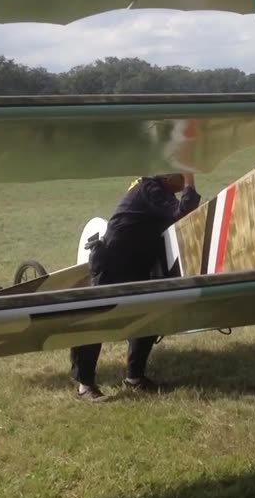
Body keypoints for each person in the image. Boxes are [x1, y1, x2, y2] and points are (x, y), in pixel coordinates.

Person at [70, 172, 200, 401]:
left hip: (135, 264)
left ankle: (135, 378)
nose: (184, 181)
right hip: (113, 262)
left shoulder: (160, 193)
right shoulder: (151, 189)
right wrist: (190, 178)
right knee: (98, 321)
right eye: (181, 175)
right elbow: (183, 209)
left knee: (147, 317)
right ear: (167, 177)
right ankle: (85, 385)